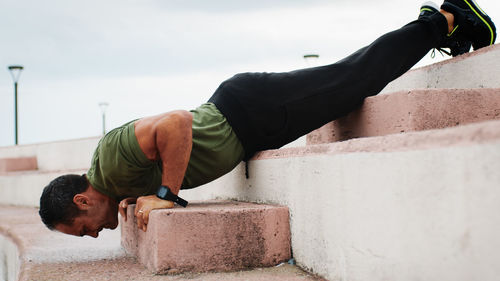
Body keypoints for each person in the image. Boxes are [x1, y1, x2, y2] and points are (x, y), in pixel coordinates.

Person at [39, 0, 496, 238]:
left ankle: (445, 18)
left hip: (251, 111)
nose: (92, 234)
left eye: (83, 229)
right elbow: (150, 158)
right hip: (249, 114)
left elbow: (176, 123)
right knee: (351, 82)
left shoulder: (109, 167)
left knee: (357, 78)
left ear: (82, 201)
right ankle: (438, 23)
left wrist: (166, 195)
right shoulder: (113, 178)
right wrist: (132, 196)